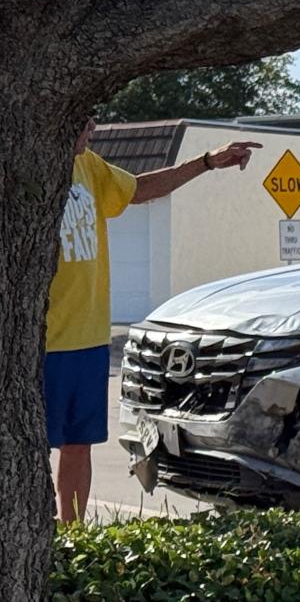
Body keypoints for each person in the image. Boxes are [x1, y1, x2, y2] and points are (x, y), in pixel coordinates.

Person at [47, 117, 261, 523]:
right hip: (41, 343)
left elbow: (140, 190)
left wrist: (207, 162)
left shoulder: (89, 165)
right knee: (25, 447)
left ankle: (71, 536)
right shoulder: (23, 166)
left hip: (89, 339)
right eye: (82, 118)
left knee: (79, 445)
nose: (90, 125)